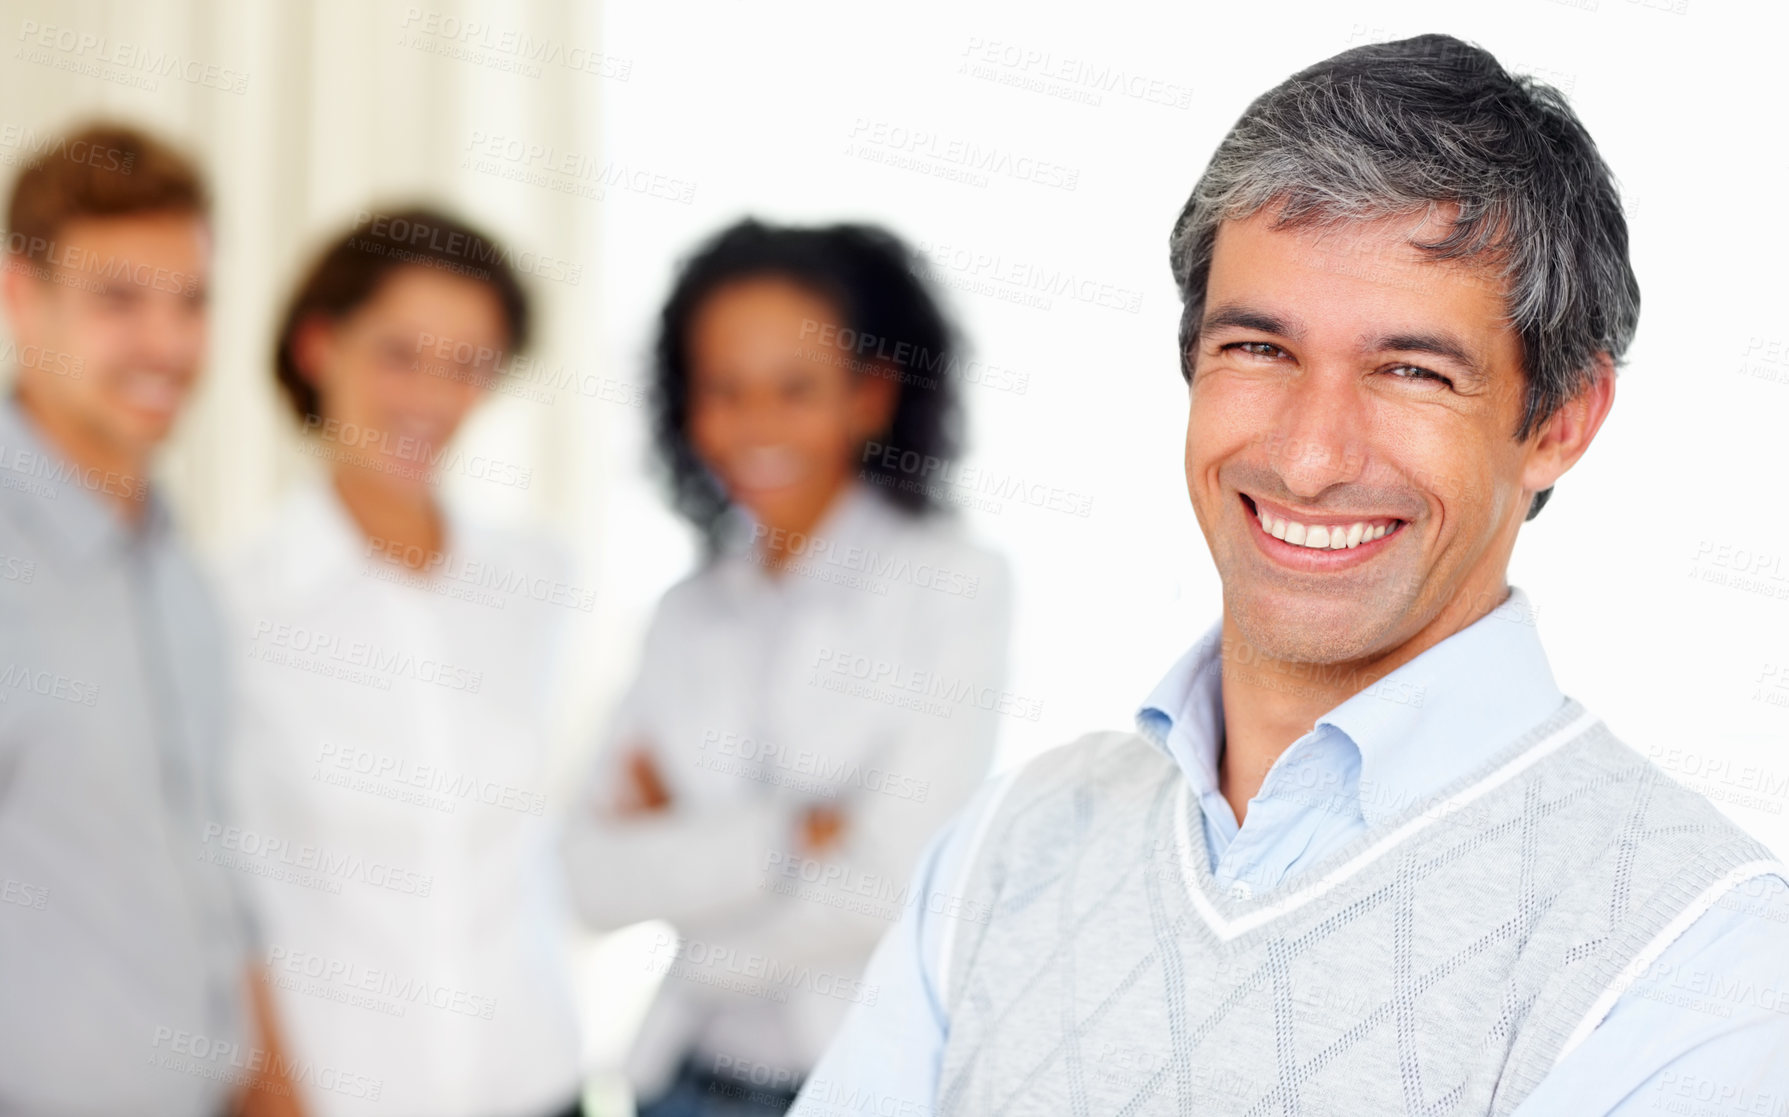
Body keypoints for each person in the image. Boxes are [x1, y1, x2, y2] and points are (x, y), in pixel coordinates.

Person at [793, 34, 1789, 1117]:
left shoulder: (1698, 954)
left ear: (1557, 421)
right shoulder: (1011, 841)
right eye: (1258, 350)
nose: (1310, 459)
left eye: (1412, 370)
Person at [562, 219, 1013, 1115]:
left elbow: (890, 883)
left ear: (870, 395)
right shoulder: (683, 615)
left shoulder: (953, 585)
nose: (755, 423)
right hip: (675, 1085)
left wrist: (690, 872)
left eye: (795, 387)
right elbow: (586, 874)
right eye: (724, 389)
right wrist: (788, 836)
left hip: (854, 1084)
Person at [224, 207, 584, 1117]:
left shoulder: (536, 584)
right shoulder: (232, 608)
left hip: (535, 1080)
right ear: (318, 347)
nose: (432, 398)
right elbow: (217, 894)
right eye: (400, 354)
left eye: (468, 365)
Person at [0, 123, 303, 1115]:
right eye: (119, 301)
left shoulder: (177, 567)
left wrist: (274, 1087)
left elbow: (209, 853)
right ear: (17, 294)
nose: (168, 345)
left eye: (192, 302)